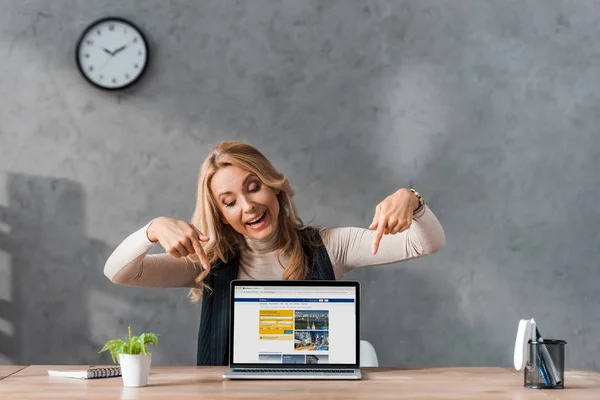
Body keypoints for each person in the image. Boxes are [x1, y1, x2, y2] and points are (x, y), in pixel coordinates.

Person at [103, 141, 446, 365]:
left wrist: (412, 200)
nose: (248, 205)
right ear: (221, 215)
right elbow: (119, 272)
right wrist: (152, 229)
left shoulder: (330, 246)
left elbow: (425, 242)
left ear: (275, 187)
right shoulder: (209, 262)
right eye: (230, 201)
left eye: (254, 187)